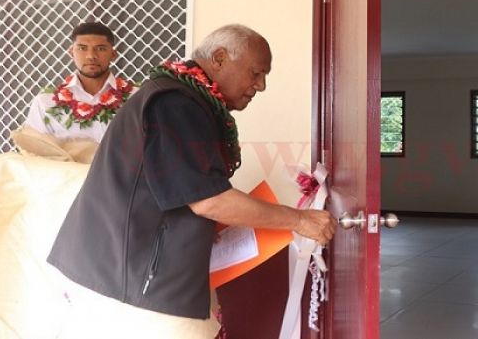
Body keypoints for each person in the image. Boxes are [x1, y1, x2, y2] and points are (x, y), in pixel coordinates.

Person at [46, 24, 336, 338]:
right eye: (255, 73)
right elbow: (209, 199)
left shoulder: (180, 96)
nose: (261, 85)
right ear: (220, 59)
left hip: (126, 273)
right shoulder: (176, 102)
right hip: (129, 282)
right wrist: (300, 220)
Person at [24, 21, 136, 143]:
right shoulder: (46, 102)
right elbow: (33, 152)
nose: (91, 56)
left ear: (113, 54)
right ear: (71, 52)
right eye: (82, 48)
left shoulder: (136, 98)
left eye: (100, 48)